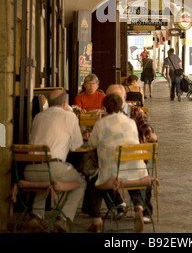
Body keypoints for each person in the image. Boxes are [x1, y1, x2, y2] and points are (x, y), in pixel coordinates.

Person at [24, 89, 86, 233]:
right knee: (80, 183)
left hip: (29, 171)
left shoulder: (38, 116)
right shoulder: (70, 117)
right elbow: (76, 145)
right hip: (53, 170)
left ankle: (37, 215)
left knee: (46, 179)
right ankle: (63, 218)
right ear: (65, 103)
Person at [86, 93, 148, 233]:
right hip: (136, 172)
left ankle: (97, 220)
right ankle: (138, 206)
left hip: (111, 175)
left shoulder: (101, 123)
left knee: (92, 180)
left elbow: (92, 143)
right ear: (121, 106)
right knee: (132, 170)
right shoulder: (130, 122)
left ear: (104, 108)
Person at [107, 84, 157, 223]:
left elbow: (146, 126)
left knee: (141, 169)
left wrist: (150, 135)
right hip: (114, 159)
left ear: (124, 96)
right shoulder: (105, 114)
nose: (113, 100)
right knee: (98, 173)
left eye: (116, 96)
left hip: (134, 157)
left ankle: (143, 210)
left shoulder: (134, 111)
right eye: (110, 97)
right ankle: (121, 205)